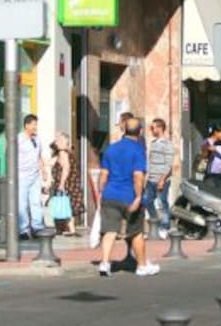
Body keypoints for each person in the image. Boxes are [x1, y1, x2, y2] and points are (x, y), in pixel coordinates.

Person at [96, 117, 159, 277]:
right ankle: (142, 265)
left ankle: (104, 263)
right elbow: (138, 175)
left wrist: (100, 192)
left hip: (110, 194)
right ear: (141, 131)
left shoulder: (111, 148)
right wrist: (138, 197)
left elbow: (103, 174)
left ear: (124, 130)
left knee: (109, 231)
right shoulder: (138, 150)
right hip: (129, 196)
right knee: (136, 232)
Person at [144, 118, 177, 239]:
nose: (151, 130)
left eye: (153, 128)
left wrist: (162, 180)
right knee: (147, 201)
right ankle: (155, 224)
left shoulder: (167, 144)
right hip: (151, 178)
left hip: (162, 179)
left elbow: (169, 164)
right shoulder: (153, 143)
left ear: (160, 128)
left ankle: (165, 227)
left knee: (163, 203)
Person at [16, 114, 48, 238]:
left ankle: (37, 227)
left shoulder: (37, 139)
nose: (35, 127)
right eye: (33, 124)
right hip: (22, 175)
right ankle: (23, 229)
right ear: (26, 125)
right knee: (22, 204)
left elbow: (39, 156)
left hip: (35, 175)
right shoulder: (19, 139)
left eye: (36, 124)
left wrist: (44, 170)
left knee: (36, 202)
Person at [48, 132, 83, 236]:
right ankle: (70, 229)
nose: (57, 142)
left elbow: (66, 169)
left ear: (65, 142)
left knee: (65, 205)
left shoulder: (63, 153)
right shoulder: (64, 153)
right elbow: (50, 162)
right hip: (71, 183)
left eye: (60, 140)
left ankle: (66, 229)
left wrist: (62, 184)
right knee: (67, 205)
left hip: (67, 183)